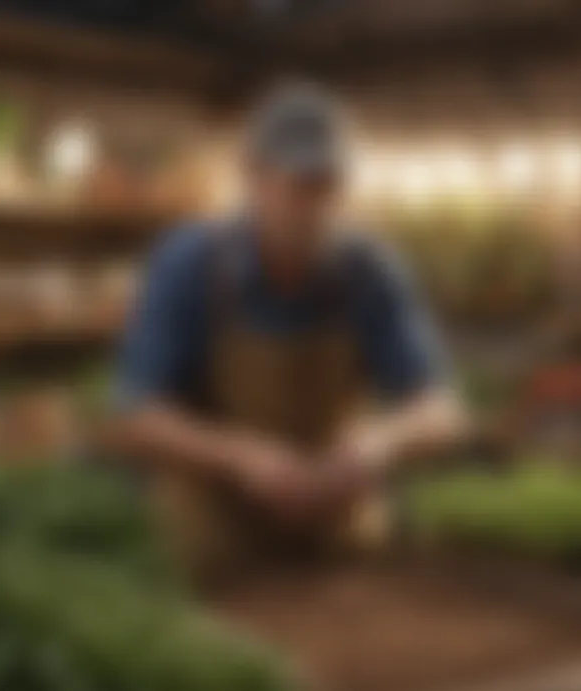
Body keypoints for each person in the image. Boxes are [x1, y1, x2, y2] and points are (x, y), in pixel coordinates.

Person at [113, 84, 466, 572]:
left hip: (336, 537)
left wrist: (376, 446)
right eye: (301, 186)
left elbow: (441, 410)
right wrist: (239, 457)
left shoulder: (368, 271)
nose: (318, 206)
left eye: (331, 187)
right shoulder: (192, 264)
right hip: (219, 545)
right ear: (253, 177)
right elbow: (136, 415)